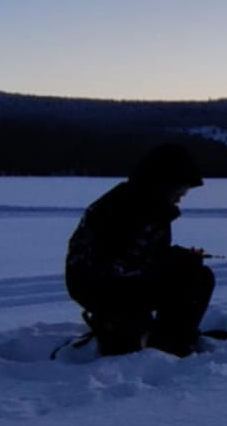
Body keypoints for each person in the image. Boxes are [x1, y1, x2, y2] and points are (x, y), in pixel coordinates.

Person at [64, 144, 214, 355]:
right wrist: (175, 261)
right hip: (98, 286)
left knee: (196, 276)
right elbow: (113, 263)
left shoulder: (150, 206)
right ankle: (161, 343)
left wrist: (179, 257)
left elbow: (146, 252)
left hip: (118, 282)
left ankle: (169, 340)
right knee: (194, 278)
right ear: (162, 184)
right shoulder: (121, 208)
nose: (180, 197)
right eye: (179, 190)